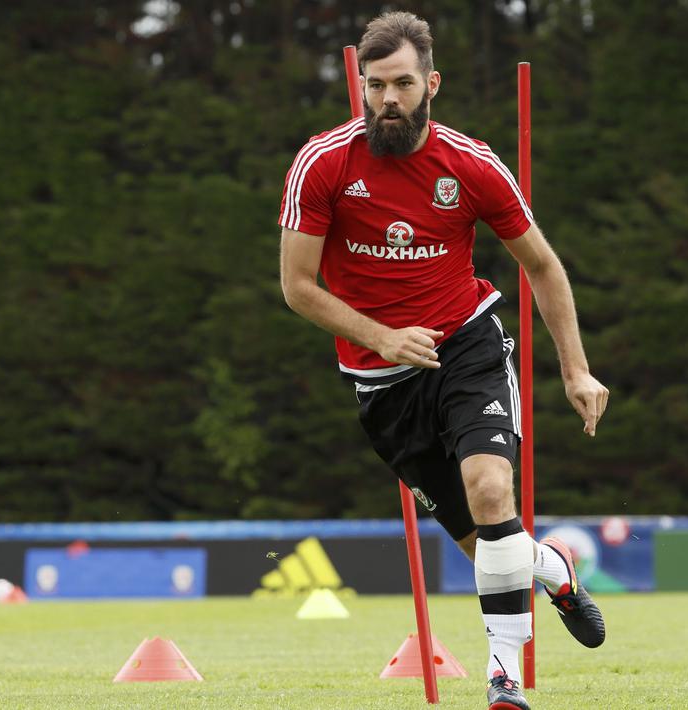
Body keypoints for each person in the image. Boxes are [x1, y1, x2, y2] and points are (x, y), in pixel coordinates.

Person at [278, 12, 608, 709]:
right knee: (483, 546)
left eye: (402, 84)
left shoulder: (471, 164)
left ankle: (502, 680)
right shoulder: (323, 162)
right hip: (380, 378)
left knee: (492, 494)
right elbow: (297, 287)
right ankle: (552, 569)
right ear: (361, 87)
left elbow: (543, 268)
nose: (388, 100)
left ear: (432, 83)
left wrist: (575, 369)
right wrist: (381, 336)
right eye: (375, 87)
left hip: (464, 345)